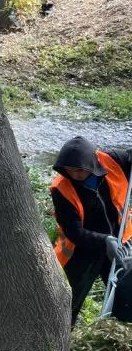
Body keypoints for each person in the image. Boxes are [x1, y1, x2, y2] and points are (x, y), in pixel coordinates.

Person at [50, 136, 132, 325]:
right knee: (68, 301)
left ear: (92, 164)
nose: (75, 175)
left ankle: (119, 333)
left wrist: (114, 242)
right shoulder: (60, 189)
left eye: (80, 170)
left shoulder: (114, 161)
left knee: (126, 294)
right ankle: (60, 338)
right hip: (82, 250)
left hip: (122, 243)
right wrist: (104, 241)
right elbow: (73, 230)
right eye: (69, 171)